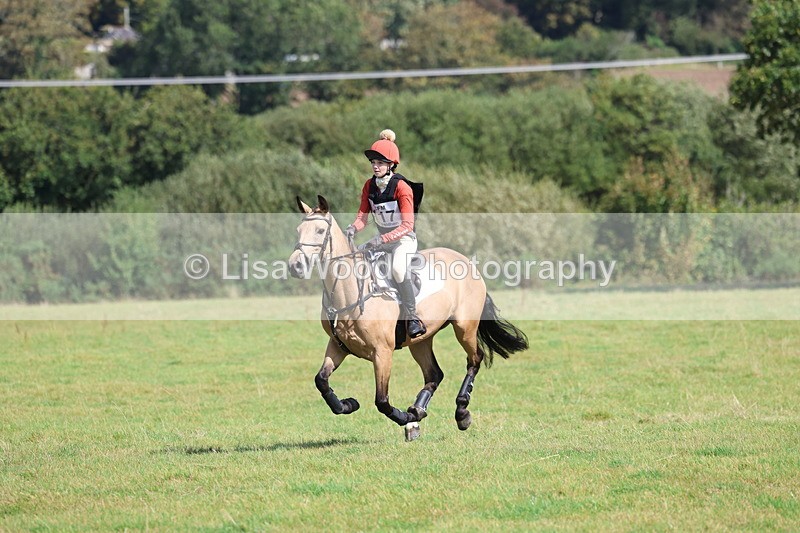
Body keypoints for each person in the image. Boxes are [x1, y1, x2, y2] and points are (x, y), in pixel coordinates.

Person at [346, 129, 427, 339]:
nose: (375, 166)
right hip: (381, 241)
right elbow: (362, 217)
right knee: (357, 263)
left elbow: (407, 225)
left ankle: (413, 318)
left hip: (404, 240)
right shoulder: (369, 186)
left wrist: (382, 239)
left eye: (380, 162)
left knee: (398, 269)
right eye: (373, 161)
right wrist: (353, 228)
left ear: (391, 164)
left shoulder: (402, 187)